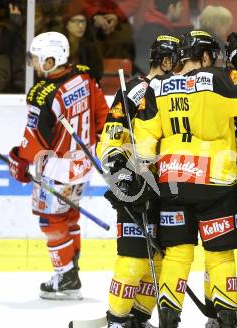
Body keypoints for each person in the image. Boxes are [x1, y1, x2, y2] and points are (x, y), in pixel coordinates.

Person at [133, 30, 237, 327]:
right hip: (215, 183)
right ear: (205, 56)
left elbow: (144, 134)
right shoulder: (216, 78)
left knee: (177, 255)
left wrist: (143, 173)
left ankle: (168, 317)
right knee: (219, 255)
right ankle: (226, 317)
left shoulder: (159, 86)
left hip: (172, 180)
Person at [7, 31, 108, 300]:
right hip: (83, 165)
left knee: (50, 219)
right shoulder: (85, 76)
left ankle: (65, 276)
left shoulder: (43, 94)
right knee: (69, 217)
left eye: (37, 59)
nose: (35, 65)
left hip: (56, 170)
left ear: (51, 60)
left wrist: (20, 159)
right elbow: (102, 114)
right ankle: (71, 270)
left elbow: (34, 139)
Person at [96, 34, 180, 328]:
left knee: (160, 261)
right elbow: (109, 140)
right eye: (179, 62)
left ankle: (139, 318)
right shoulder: (137, 89)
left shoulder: (182, 91)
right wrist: (122, 179)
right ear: (167, 61)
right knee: (134, 261)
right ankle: (117, 321)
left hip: (172, 186)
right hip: (139, 184)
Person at [134, 0, 183, 74]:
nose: (182, 9)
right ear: (171, 8)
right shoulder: (160, 34)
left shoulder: (149, 27)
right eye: (180, 6)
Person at [60, 1, 104, 83]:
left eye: (82, 21)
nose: (80, 26)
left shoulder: (90, 46)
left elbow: (97, 73)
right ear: (66, 23)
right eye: (75, 21)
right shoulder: (58, 46)